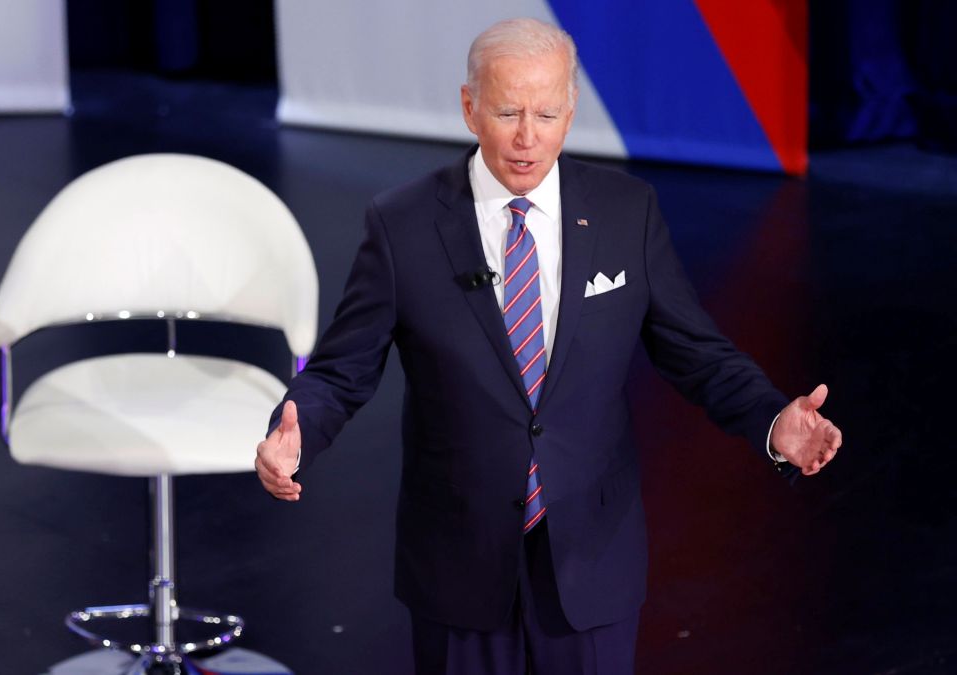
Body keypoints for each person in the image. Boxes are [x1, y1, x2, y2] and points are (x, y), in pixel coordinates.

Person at [255, 17, 842, 674]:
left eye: (547, 113)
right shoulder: (403, 224)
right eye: (507, 112)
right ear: (470, 107)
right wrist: (296, 431)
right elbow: (341, 370)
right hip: (459, 565)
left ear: (571, 111)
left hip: (592, 562)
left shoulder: (627, 211)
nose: (528, 137)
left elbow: (696, 351)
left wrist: (771, 419)